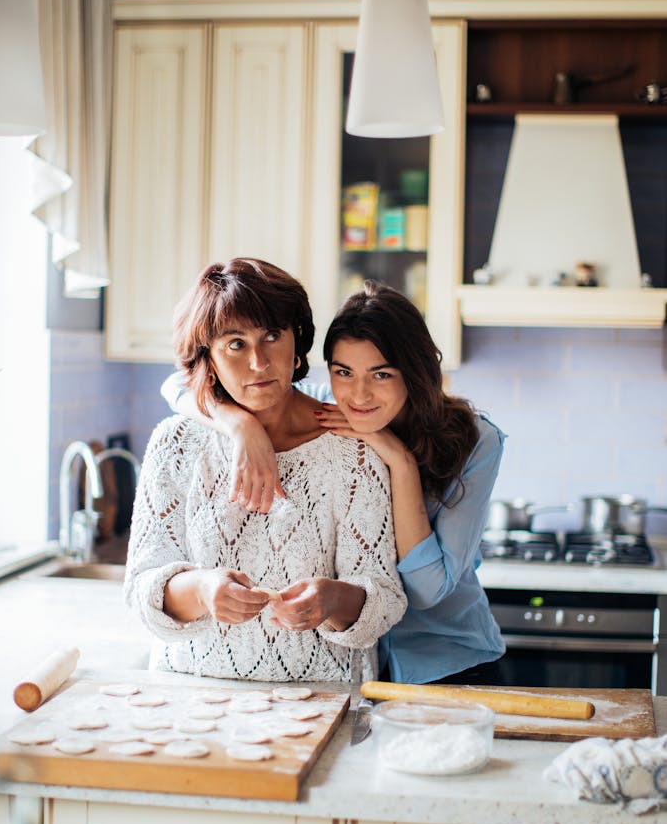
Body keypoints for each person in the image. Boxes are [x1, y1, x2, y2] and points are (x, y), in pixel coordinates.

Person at [163, 280, 506, 686]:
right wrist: (240, 426)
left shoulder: (474, 439)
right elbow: (177, 386)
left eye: (381, 374)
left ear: (414, 373)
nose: (359, 394)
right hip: (359, 664)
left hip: (444, 659)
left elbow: (428, 591)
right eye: (344, 371)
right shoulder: (329, 405)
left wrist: (398, 459)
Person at [125, 259, 407, 684]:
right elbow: (141, 590)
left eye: (272, 336)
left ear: (297, 343)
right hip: (189, 697)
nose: (258, 362)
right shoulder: (175, 443)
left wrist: (333, 600)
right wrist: (202, 589)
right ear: (209, 359)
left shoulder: (354, 449)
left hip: (323, 697)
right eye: (235, 344)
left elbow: (384, 599)